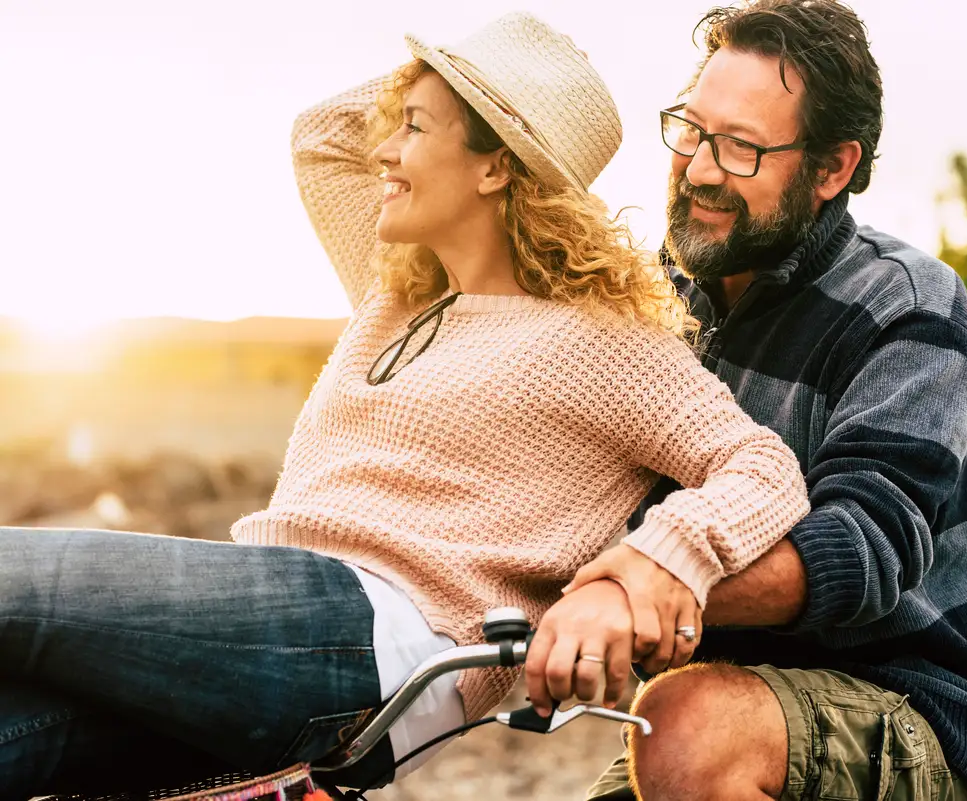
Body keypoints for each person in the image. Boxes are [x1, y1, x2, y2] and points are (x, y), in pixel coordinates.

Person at [0, 13, 811, 799]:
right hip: (277, 627)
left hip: (372, 636)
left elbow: (762, 467)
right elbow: (325, 133)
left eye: (415, 128)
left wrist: (655, 558)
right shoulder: (399, 296)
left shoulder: (597, 341)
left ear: (496, 167)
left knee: (14, 578)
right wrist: (459, 78)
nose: (384, 148)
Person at [531, 1, 967, 800]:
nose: (697, 168)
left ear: (831, 169)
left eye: (740, 147)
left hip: (914, 714)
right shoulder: (645, 304)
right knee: (683, 727)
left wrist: (651, 580)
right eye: (691, 130)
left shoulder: (910, 304)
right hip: (720, 703)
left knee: (689, 728)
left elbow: (867, 545)